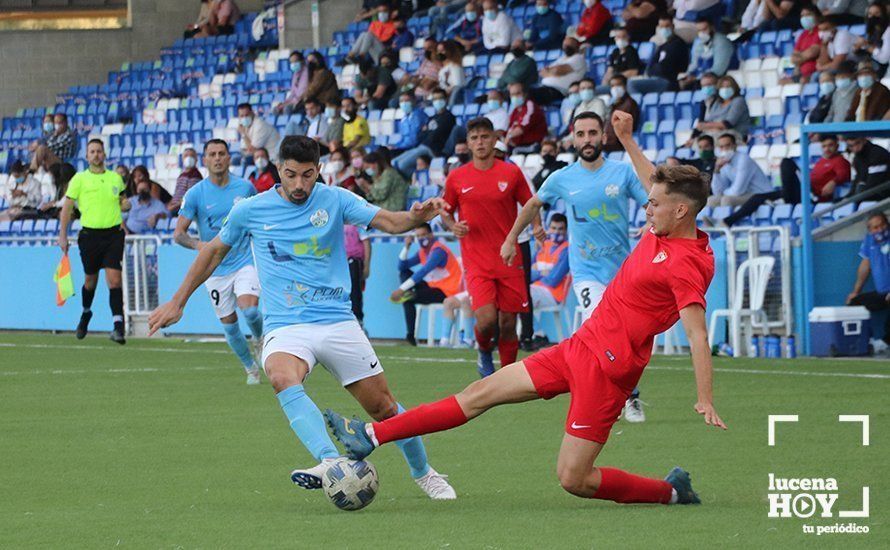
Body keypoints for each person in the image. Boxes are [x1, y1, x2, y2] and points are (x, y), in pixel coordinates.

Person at [326, 121, 726, 508]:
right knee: (478, 394)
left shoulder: (686, 263)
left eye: (654, 204)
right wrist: (625, 138)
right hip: (579, 347)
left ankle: (670, 492)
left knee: (574, 479)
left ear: (680, 212)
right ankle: (371, 435)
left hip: (607, 371)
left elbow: (696, 335)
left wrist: (705, 398)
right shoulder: (665, 227)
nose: (646, 208)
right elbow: (650, 180)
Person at [148, 135, 457, 500]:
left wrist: (415, 217)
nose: (299, 185)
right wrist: (178, 301)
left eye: (307, 175)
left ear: (318, 171)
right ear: (279, 170)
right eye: (291, 175)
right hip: (286, 325)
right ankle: (329, 461)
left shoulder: (336, 198)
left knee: (384, 407)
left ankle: (425, 473)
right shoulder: (251, 208)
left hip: (338, 321)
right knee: (281, 376)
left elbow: (389, 221)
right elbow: (213, 251)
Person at [505, 111, 652, 419]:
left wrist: (652, 224)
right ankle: (622, 397)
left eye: (593, 133)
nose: (587, 140)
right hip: (586, 273)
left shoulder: (622, 173)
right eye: (581, 134)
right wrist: (512, 238)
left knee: (629, 338)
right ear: (573, 138)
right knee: (600, 328)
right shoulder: (562, 178)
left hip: (623, 272)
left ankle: (623, 394)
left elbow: (651, 200)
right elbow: (532, 203)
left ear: (603, 136)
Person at [440, 117, 542, 377]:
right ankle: (484, 350)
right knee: (486, 321)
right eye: (474, 138)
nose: (480, 142)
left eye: (485, 137)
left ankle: (506, 377)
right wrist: (452, 226)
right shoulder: (457, 178)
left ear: (495, 140)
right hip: (477, 261)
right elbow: (445, 212)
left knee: (508, 323)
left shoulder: (510, 172)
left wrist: (538, 226)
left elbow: (531, 203)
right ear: (468, 144)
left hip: (509, 258)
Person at [174, 139, 263, 384]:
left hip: (245, 259)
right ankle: (250, 368)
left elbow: (259, 217)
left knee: (251, 310)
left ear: (228, 158)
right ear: (205, 160)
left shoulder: (245, 188)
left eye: (221, 153)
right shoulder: (195, 194)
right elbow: (179, 233)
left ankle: (260, 339)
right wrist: (198, 245)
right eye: (212, 154)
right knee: (230, 324)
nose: (217, 158)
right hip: (214, 269)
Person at [58, 139, 130, 344]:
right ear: (87, 156)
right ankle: (86, 312)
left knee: (114, 279)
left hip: (113, 234)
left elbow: (123, 200)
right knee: (90, 281)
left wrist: (126, 204)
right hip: (89, 236)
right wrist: (63, 234)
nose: (96, 155)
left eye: (99, 151)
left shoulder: (115, 178)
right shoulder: (79, 179)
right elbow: (67, 208)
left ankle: (118, 326)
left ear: (104, 154)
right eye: (92, 151)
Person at [710, 134, 851, 228]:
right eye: (824, 146)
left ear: (837, 146)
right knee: (757, 198)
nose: (827, 149)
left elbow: (844, 174)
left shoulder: (839, 161)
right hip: (803, 191)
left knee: (787, 163)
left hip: (812, 196)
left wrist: (834, 182)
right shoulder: (821, 161)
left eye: (831, 145)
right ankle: (726, 221)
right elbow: (718, 190)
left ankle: (783, 198)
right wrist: (716, 170)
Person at [392, 224, 463, 345]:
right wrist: (406, 247)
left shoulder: (439, 251)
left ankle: (410, 336)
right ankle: (409, 295)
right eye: (418, 236)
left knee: (408, 299)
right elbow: (401, 266)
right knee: (404, 273)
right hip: (433, 286)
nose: (421, 238)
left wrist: (401, 289)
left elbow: (423, 271)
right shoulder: (423, 252)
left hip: (447, 291)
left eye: (424, 235)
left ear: (431, 235)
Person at [846, 213, 890, 353]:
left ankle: (885, 343)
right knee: (854, 302)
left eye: (882, 225)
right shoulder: (870, 241)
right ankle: (867, 340)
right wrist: (856, 291)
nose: (879, 230)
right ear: (870, 230)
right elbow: (865, 266)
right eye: (875, 227)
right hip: (882, 292)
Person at [528, 213, 571, 347]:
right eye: (553, 228)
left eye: (560, 229)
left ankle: (536, 335)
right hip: (536, 289)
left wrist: (537, 270)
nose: (556, 232)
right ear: (548, 228)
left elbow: (553, 280)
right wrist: (542, 272)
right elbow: (527, 275)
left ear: (566, 230)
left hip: (553, 294)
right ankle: (538, 334)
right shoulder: (543, 245)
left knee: (522, 294)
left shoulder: (567, 249)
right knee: (517, 293)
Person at [392, 89, 456, 177]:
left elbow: (435, 136)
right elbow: (420, 135)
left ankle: (422, 179)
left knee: (402, 165)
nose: (438, 101)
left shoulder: (448, 117)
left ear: (446, 99)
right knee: (394, 162)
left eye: (440, 98)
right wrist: (427, 132)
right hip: (423, 146)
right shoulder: (433, 117)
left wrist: (426, 131)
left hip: (432, 149)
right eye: (435, 99)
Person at [628, 16, 690, 95]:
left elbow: (664, 67)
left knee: (632, 84)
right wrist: (654, 69)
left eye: (667, 26)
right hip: (657, 78)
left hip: (669, 81)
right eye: (661, 26)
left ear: (673, 26)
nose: (664, 29)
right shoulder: (662, 46)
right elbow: (651, 65)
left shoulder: (678, 44)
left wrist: (654, 69)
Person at [707, 133, 772, 207]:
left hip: (761, 194)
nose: (724, 149)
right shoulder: (723, 162)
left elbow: (738, 190)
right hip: (744, 194)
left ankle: (724, 219)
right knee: (711, 200)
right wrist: (717, 170)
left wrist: (723, 193)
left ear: (735, 146)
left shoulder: (744, 160)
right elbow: (717, 192)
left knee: (726, 200)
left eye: (728, 145)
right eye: (721, 147)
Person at [679, 17, 735, 89]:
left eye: (704, 29)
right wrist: (687, 75)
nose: (702, 33)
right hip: (701, 79)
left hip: (719, 80)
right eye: (699, 31)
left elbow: (718, 70)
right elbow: (694, 63)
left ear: (712, 28)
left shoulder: (721, 42)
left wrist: (696, 78)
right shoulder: (698, 42)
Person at [693, 75, 751, 142]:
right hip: (714, 133)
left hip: (733, 136)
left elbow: (728, 124)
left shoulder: (738, 101)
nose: (725, 89)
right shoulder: (717, 102)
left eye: (728, 87)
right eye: (722, 87)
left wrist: (707, 126)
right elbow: (708, 120)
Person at [533, 37, 587, 106]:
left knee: (529, 95)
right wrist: (554, 72)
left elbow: (556, 71)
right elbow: (542, 72)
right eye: (565, 45)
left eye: (569, 45)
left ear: (576, 46)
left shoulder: (578, 58)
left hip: (559, 91)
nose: (566, 47)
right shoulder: (562, 59)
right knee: (526, 92)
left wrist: (551, 71)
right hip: (545, 88)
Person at [784, 6, 822, 84]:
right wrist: (804, 56)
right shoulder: (803, 34)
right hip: (800, 72)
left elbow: (812, 53)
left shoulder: (820, 31)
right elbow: (793, 58)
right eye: (802, 16)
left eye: (808, 15)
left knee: (803, 81)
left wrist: (800, 57)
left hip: (813, 72)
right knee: (782, 82)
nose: (805, 18)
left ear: (817, 17)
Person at [603, 75, 641, 152]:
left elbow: (628, 127)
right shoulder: (613, 104)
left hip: (618, 143)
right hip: (607, 141)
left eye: (619, 85)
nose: (615, 88)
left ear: (625, 86)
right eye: (613, 86)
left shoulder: (630, 104)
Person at [506, 82, 548, 152]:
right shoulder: (515, 111)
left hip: (533, 145)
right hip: (519, 145)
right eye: (512, 95)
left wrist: (509, 136)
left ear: (525, 94)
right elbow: (511, 127)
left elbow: (524, 125)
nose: (515, 97)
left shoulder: (530, 105)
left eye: (518, 93)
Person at [345, 223, 372, 327]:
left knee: (355, 290)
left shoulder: (358, 225)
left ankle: (358, 318)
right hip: (341, 262)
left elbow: (367, 244)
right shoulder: (337, 223)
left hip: (355, 261)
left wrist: (366, 265)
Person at [168, 148, 202, 214]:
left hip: (182, 210)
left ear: (196, 159)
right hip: (175, 207)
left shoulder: (195, 175)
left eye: (192, 156)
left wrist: (172, 207)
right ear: (182, 159)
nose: (189, 158)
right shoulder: (181, 175)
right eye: (186, 156)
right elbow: (177, 194)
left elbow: (189, 199)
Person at [437, 39, 467, 106]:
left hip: (453, 99)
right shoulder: (442, 69)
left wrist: (445, 93)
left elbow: (458, 86)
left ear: (449, 51)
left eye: (442, 51)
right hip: (443, 98)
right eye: (438, 51)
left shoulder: (455, 67)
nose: (440, 53)